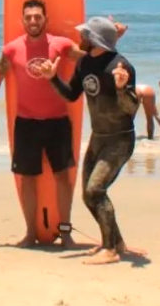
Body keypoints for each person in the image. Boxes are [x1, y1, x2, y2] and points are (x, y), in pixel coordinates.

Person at [0, 0, 90, 247]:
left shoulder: (60, 44)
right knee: (27, 178)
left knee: (62, 177)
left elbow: (90, 58)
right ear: (22, 20)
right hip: (26, 122)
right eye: (28, 17)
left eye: (38, 16)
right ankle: (30, 232)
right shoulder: (11, 49)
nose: (33, 21)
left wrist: (111, 40)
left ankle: (66, 232)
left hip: (58, 121)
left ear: (45, 20)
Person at [36, 16, 146, 265]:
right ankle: (117, 243)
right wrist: (52, 78)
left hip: (119, 140)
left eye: (85, 35)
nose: (80, 39)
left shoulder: (121, 66)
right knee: (88, 195)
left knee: (95, 191)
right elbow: (72, 94)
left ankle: (110, 250)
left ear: (95, 39)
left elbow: (130, 109)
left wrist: (121, 88)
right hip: (98, 138)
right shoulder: (85, 64)